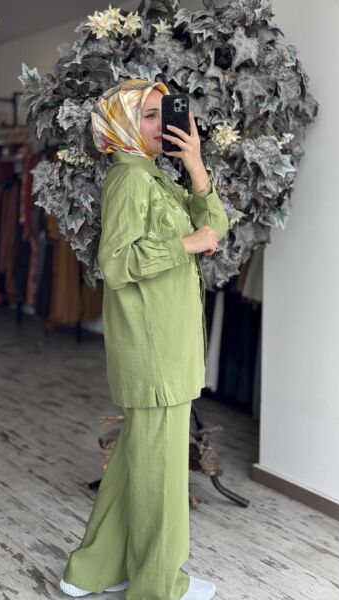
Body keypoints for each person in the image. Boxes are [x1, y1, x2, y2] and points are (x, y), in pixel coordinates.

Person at [59, 78, 229, 600]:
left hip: (168, 340)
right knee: (161, 475)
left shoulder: (155, 176)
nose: (160, 125)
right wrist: (186, 244)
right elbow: (115, 263)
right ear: (123, 124)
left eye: (162, 113)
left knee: (138, 461)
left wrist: (196, 165)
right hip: (154, 346)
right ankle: (159, 586)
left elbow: (215, 228)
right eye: (148, 115)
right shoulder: (129, 178)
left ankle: (89, 572)